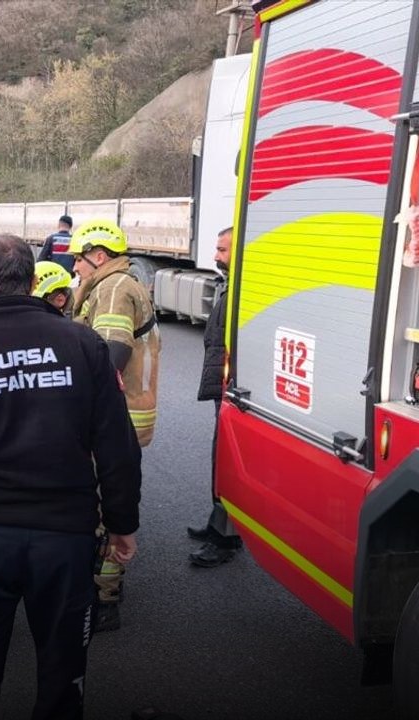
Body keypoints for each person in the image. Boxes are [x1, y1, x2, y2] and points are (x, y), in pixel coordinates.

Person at [0, 234, 142, 720]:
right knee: (63, 680)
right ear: (34, 281)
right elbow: (116, 445)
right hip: (65, 541)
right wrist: (122, 523)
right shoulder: (84, 345)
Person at [70, 218, 161, 633]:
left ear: (99, 255)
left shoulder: (112, 288)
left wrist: (79, 409)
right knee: (110, 500)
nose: (75, 267)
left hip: (115, 417)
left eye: (79, 259)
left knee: (103, 508)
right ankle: (104, 590)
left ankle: (103, 599)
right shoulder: (119, 284)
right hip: (126, 414)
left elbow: (111, 354)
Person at [188, 226, 242, 567]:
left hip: (233, 390)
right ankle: (218, 524)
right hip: (225, 387)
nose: (216, 256)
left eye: (223, 250)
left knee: (228, 462)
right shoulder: (231, 283)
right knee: (220, 457)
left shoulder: (244, 287)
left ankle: (225, 539)